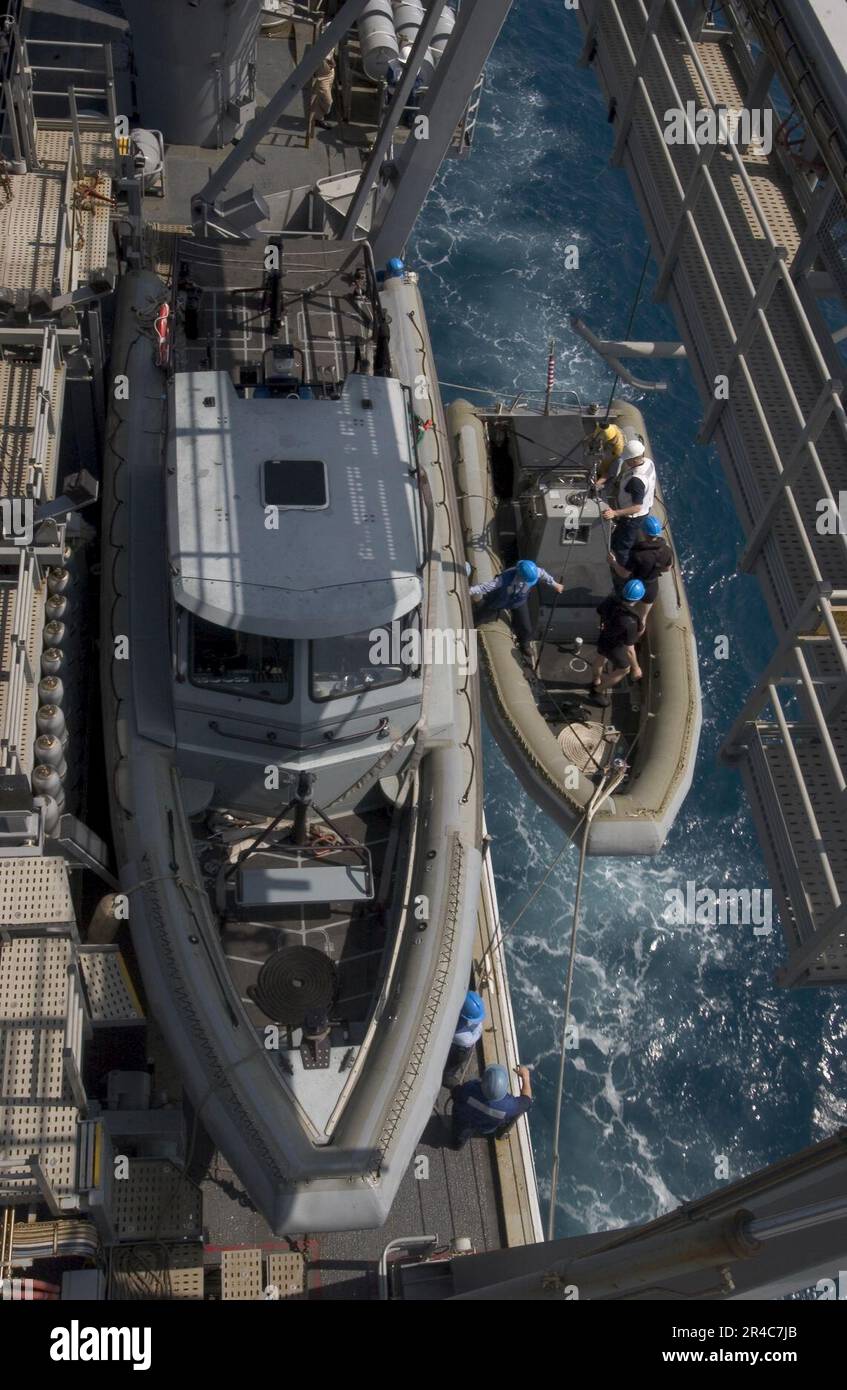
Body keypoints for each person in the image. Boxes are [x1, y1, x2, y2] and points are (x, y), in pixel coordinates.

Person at [470, 559, 564, 662]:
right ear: (520, 576)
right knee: (478, 618)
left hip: (518, 602)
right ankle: (467, 627)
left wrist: (555, 585)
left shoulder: (535, 572)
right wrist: (469, 591)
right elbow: (485, 587)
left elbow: (543, 574)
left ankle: (524, 644)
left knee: (526, 627)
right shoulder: (504, 579)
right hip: (499, 600)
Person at [608, 514, 672, 635]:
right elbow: (667, 569)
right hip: (652, 587)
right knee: (642, 619)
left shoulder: (638, 555)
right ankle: (633, 639)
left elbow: (624, 574)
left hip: (635, 585)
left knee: (621, 610)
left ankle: (617, 636)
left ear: (644, 532)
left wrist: (613, 563)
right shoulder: (667, 550)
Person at [598, 438, 657, 569]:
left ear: (635, 459)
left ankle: (622, 571)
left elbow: (636, 507)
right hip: (645, 508)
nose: (626, 461)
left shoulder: (637, 481)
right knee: (621, 537)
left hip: (632, 518)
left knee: (622, 548)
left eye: (628, 460)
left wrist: (614, 513)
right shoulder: (648, 462)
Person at [450, 1063, 533, 1150]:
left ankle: (458, 1144)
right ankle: (500, 1134)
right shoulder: (508, 1107)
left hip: (464, 1121)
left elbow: (457, 1093)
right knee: (513, 1115)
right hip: (486, 1127)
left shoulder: (468, 1089)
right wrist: (525, 1076)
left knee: (460, 1134)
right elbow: (527, 1101)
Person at [590, 579, 644, 706]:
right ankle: (597, 691)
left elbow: (600, 611)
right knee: (624, 669)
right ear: (637, 599)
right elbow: (629, 650)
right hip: (614, 646)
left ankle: (595, 681)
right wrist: (636, 668)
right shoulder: (630, 622)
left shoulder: (611, 599)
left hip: (604, 637)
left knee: (600, 658)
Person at [442, 990, 485, 1088]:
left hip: (457, 1045)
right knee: (448, 1072)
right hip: (459, 1048)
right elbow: (478, 1030)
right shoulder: (463, 1036)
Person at [310, 51, 337, 130]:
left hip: (331, 72)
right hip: (322, 77)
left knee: (321, 97)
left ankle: (319, 117)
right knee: (328, 101)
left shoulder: (331, 41)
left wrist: (332, 60)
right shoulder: (321, 42)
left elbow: (331, 53)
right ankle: (324, 113)